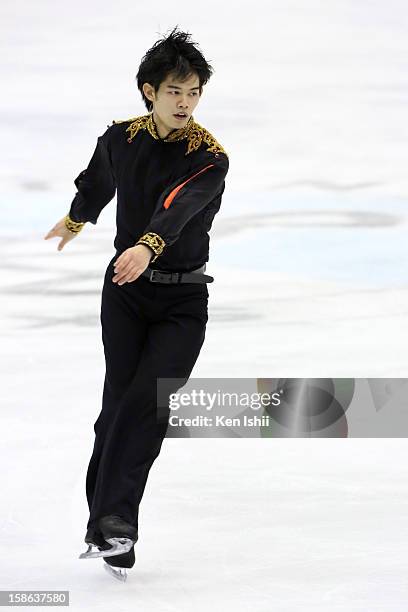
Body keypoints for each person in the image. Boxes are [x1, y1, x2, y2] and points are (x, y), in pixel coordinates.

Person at [44, 26, 229, 579]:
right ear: (150, 90)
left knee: (147, 404)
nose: (186, 102)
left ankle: (115, 524)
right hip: (125, 293)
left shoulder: (209, 156)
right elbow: (102, 178)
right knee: (116, 412)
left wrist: (147, 246)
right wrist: (79, 216)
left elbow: (179, 207)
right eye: (175, 91)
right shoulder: (120, 137)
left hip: (182, 300)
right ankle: (106, 525)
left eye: (194, 92)